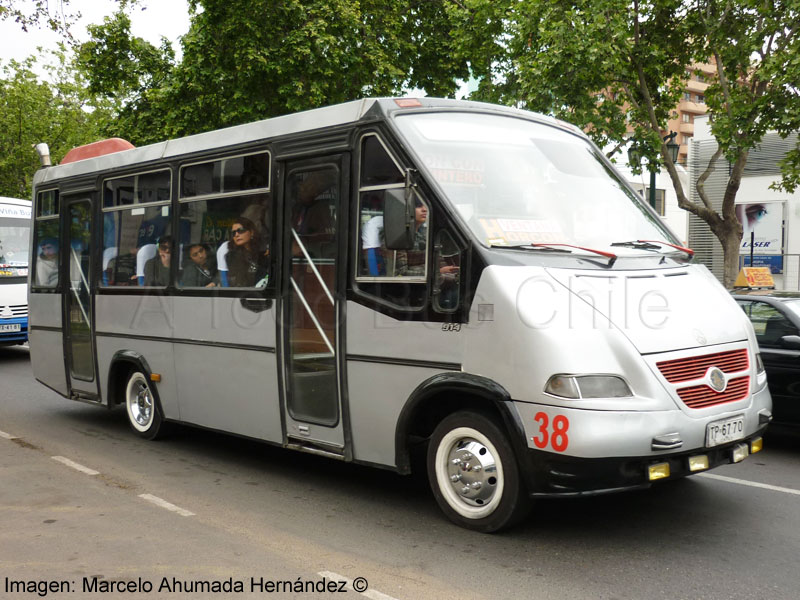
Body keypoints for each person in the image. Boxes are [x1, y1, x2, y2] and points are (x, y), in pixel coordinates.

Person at [226, 217, 269, 287]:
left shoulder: (261, 253)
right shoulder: (232, 256)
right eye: (233, 233)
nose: (236, 235)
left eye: (240, 231)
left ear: (251, 232)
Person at [395, 198, 428, 276]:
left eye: (425, 206)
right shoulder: (398, 236)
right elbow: (402, 272)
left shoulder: (425, 233)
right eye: (418, 206)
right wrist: (435, 272)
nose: (424, 209)